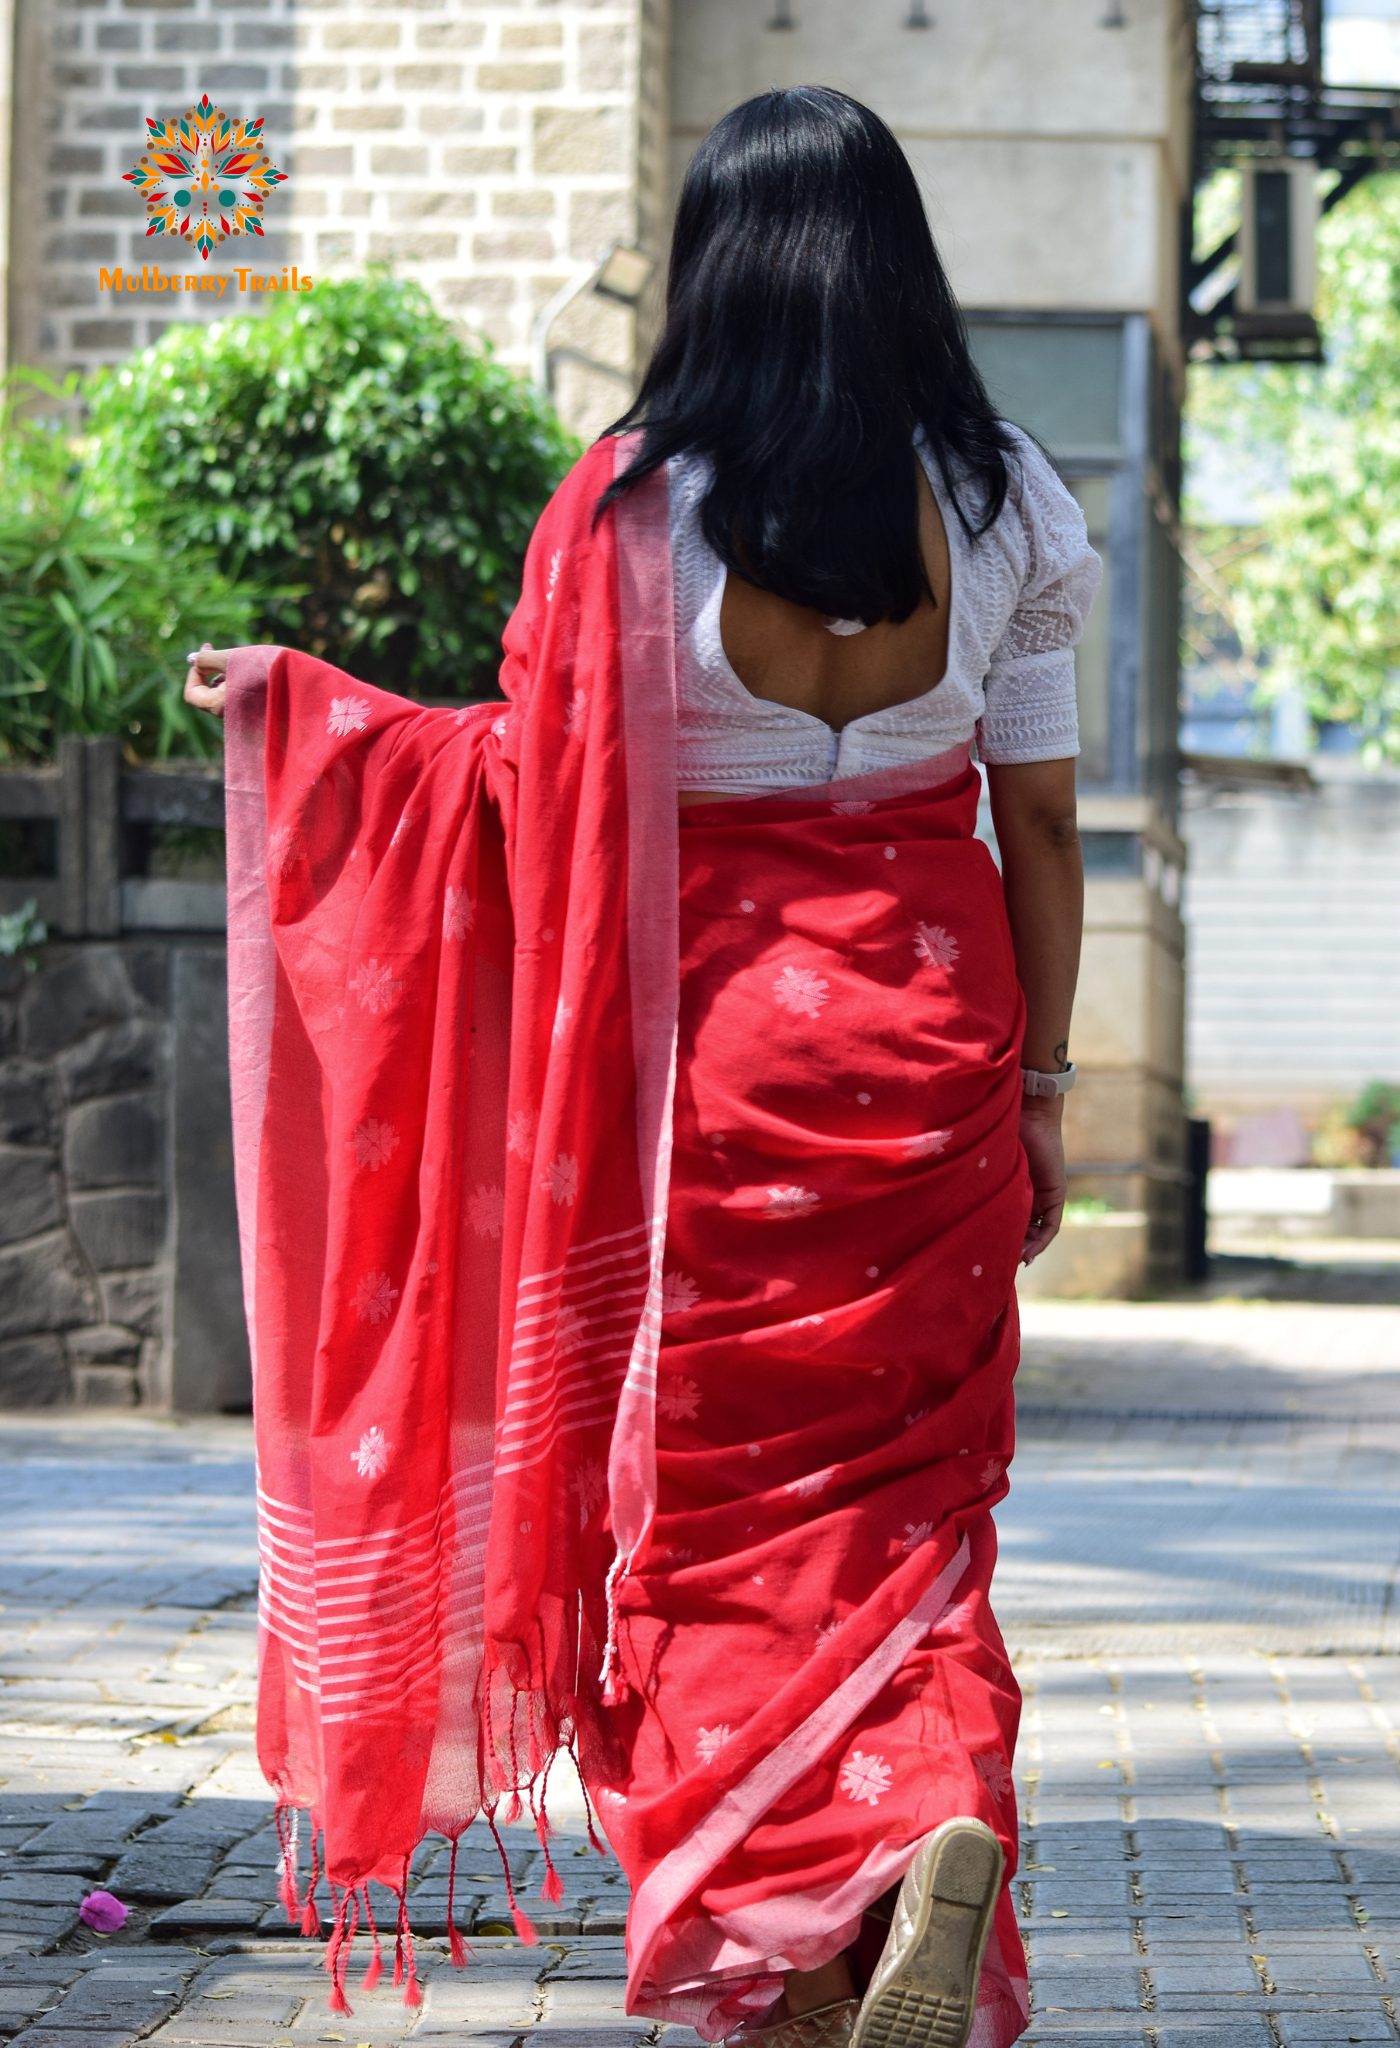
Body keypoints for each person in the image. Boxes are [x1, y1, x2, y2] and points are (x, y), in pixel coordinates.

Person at [187, 85, 1094, 2048]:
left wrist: (307, 719)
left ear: (718, 267)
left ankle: (776, 1940)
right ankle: (928, 1824)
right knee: (909, 1516)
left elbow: (527, 792)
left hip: (705, 1071)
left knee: (691, 1531)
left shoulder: (625, 505)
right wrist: (1037, 1091)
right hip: (934, 1046)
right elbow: (1036, 827)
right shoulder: (1015, 492)